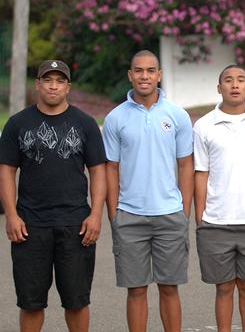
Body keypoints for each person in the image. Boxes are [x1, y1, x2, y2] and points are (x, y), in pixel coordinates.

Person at [0, 60, 106, 332]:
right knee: (31, 303)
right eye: (48, 80)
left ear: (68, 87)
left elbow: (98, 171)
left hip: (76, 225)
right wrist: (11, 215)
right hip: (30, 226)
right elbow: (6, 171)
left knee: (77, 301)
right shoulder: (17, 124)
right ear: (38, 84)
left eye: (60, 81)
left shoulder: (85, 124)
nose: (53, 86)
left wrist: (95, 215)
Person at [102, 50, 194, 332]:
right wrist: (114, 215)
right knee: (136, 290)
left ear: (159, 75)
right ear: (130, 75)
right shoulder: (116, 118)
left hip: (170, 215)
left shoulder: (177, 115)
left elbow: (186, 165)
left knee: (169, 288)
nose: (145, 76)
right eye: (139, 71)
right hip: (130, 216)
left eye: (150, 70)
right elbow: (111, 169)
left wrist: (183, 212)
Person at [193, 64, 245, 332]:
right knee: (224, 287)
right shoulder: (204, 126)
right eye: (228, 80)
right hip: (216, 221)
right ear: (220, 88)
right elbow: (200, 173)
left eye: (241, 80)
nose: (235, 85)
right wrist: (201, 217)